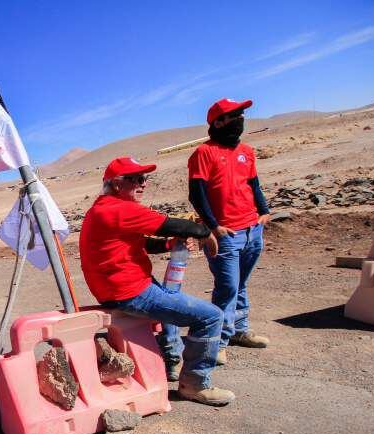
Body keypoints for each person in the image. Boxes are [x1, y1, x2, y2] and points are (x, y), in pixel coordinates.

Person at [79, 156, 234, 406]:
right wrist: (206, 232)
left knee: (171, 304)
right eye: (137, 179)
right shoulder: (118, 209)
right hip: (130, 292)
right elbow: (172, 225)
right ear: (117, 184)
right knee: (211, 316)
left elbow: (141, 243)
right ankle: (194, 384)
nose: (143, 184)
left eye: (145, 179)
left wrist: (168, 245)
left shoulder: (104, 208)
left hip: (121, 288)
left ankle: (171, 363)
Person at [188, 98, 271, 367]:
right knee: (227, 288)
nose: (240, 119)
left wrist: (264, 211)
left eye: (241, 114)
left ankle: (239, 330)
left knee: (240, 284)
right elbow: (197, 194)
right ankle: (220, 341)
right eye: (234, 115)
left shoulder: (247, 150)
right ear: (218, 122)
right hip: (226, 233)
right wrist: (213, 227)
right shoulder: (204, 153)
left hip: (252, 229)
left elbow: (254, 184)